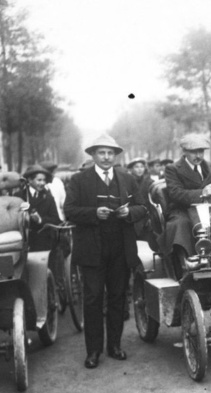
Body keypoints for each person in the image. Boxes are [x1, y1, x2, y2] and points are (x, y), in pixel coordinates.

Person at [64, 134, 147, 369]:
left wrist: (128, 213)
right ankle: (93, 351)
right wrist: (93, 214)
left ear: (116, 156)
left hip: (120, 247)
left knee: (117, 297)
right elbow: (69, 210)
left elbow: (142, 207)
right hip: (92, 248)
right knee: (92, 299)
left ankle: (114, 346)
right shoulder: (79, 180)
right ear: (93, 155)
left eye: (111, 153)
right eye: (102, 152)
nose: (107, 157)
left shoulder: (127, 178)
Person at [161, 134, 211, 278]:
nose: (198, 155)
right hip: (183, 209)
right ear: (184, 151)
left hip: (209, 209)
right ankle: (187, 266)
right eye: (194, 152)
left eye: (201, 151)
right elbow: (175, 193)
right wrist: (201, 193)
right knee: (180, 225)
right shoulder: (173, 169)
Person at [14, 164, 61, 252]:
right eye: (39, 180)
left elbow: (56, 220)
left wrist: (40, 220)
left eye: (44, 180)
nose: (42, 183)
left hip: (44, 242)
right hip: (24, 241)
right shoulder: (19, 196)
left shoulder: (48, 197)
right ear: (30, 180)